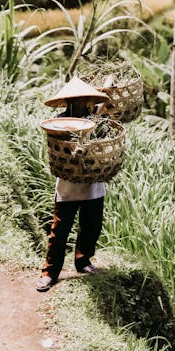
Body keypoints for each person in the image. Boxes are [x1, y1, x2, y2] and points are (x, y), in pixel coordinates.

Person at [36, 78, 109, 292]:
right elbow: (57, 149)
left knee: (92, 226)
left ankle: (83, 261)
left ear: (88, 101)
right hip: (68, 185)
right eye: (76, 100)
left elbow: (104, 145)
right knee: (59, 230)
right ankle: (49, 272)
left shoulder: (97, 122)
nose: (80, 103)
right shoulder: (58, 123)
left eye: (84, 99)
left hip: (93, 183)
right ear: (68, 101)